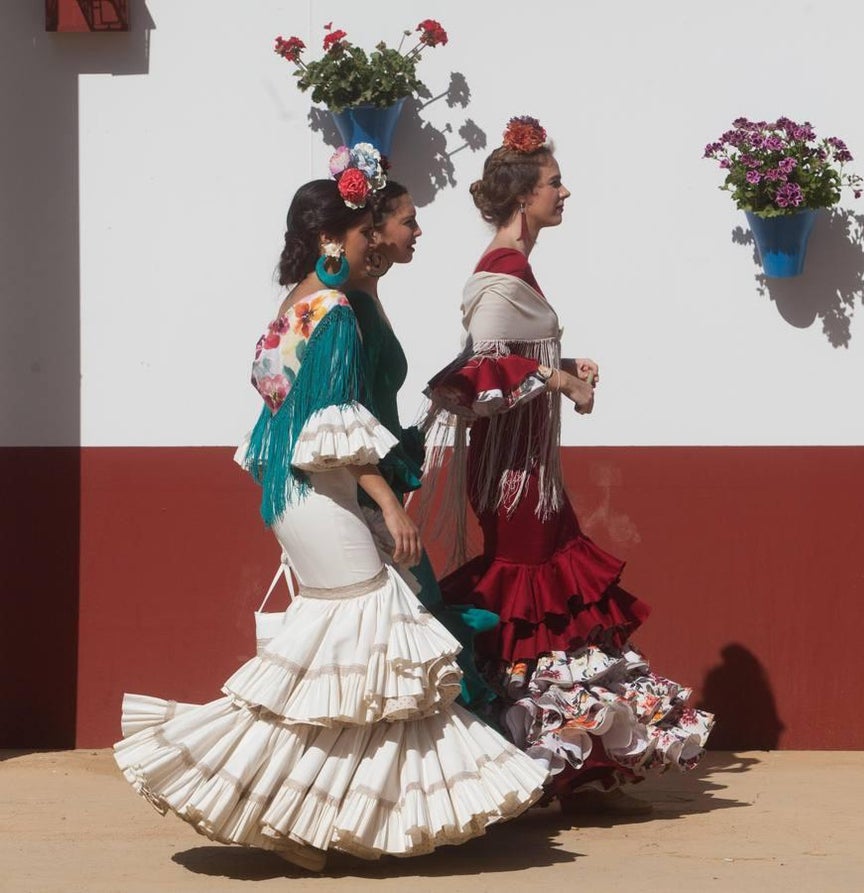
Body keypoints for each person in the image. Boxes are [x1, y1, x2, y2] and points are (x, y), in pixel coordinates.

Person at [113, 145, 546, 871]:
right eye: (362, 229)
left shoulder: (294, 305)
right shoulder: (338, 313)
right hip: (327, 493)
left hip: (293, 494)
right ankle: (286, 803)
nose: (371, 238)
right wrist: (390, 504)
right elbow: (330, 425)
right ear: (332, 238)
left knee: (342, 664)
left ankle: (305, 820)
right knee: (367, 646)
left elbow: (275, 402)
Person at [425, 117, 715, 816]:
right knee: (535, 597)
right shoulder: (499, 272)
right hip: (515, 480)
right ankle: (526, 752)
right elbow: (479, 371)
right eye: (555, 182)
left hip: (530, 477)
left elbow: (514, 356)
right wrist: (559, 382)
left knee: (554, 596)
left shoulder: (515, 269)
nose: (565, 192)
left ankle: (559, 754)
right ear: (524, 196)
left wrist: (564, 362)